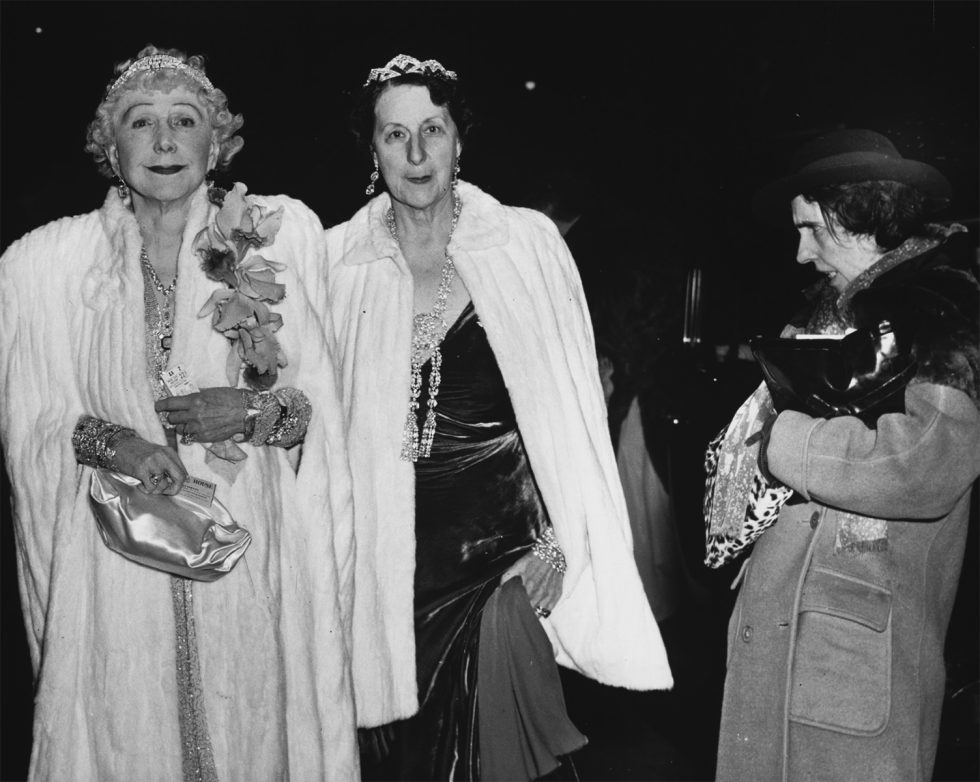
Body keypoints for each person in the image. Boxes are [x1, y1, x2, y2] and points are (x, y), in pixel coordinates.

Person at [0, 46, 357, 780]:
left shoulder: (279, 240)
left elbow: (323, 410)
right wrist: (113, 442)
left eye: (184, 121)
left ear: (216, 142)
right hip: (113, 573)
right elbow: (30, 420)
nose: (163, 142)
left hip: (248, 569)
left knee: (252, 734)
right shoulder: (47, 266)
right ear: (111, 145)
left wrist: (251, 412)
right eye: (141, 122)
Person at [323, 54, 673, 780]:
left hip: (496, 571)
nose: (416, 154)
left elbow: (571, 419)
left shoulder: (525, 248)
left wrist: (554, 541)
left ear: (460, 138)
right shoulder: (331, 263)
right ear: (372, 150)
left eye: (433, 129)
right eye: (395, 136)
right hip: (381, 579)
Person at [708, 128, 980, 781]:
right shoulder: (852, 316)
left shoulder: (943, 312)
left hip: (853, 661)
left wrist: (786, 441)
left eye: (812, 229)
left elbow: (927, 463)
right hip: (807, 642)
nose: (801, 254)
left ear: (859, 215)